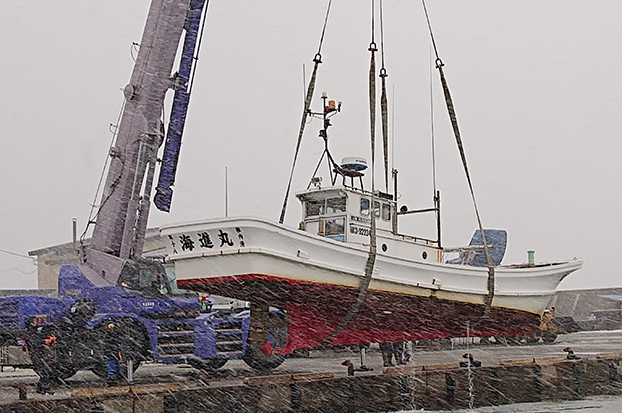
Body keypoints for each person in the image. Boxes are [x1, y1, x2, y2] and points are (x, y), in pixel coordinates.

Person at [24, 320, 56, 395]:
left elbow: (39, 338)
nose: (36, 322)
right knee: (45, 372)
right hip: (36, 355)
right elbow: (34, 342)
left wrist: (49, 339)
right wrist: (45, 341)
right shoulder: (30, 332)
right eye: (34, 321)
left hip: (38, 354)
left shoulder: (33, 331)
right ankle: (44, 388)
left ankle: (42, 388)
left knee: (45, 372)